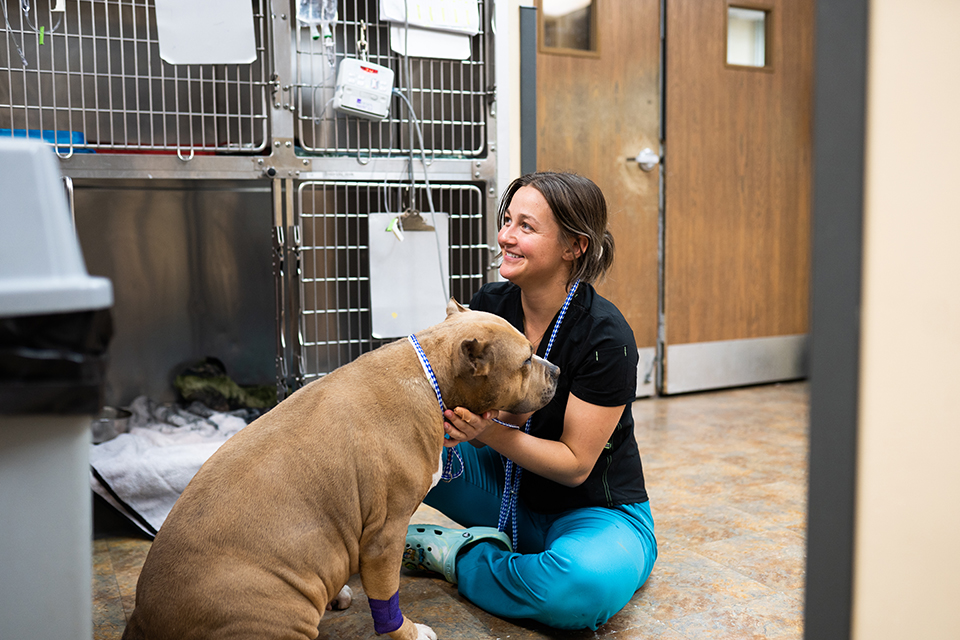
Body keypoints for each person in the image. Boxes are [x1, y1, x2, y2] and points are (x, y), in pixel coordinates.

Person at [402, 171, 657, 631]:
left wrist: (487, 430)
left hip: (594, 513)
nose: (505, 236)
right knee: (394, 445)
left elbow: (576, 463)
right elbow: (452, 408)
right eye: (506, 220)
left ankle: (458, 555)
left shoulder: (606, 337)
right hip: (503, 491)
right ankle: (353, 548)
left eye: (526, 226)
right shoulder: (489, 308)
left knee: (579, 589)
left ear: (574, 245)